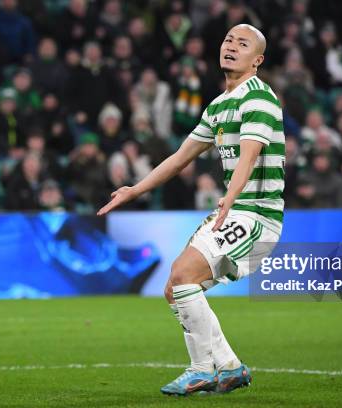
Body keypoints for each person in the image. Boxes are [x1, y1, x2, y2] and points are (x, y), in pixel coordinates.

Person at [97, 24, 285, 395]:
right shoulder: (218, 105)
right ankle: (229, 367)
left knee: (184, 275)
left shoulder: (259, 99)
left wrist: (230, 197)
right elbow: (180, 158)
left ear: (257, 60)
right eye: (228, 39)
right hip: (234, 211)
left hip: (256, 214)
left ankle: (201, 368)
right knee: (174, 287)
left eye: (242, 43)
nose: (231, 46)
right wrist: (135, 189)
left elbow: (249, 154)